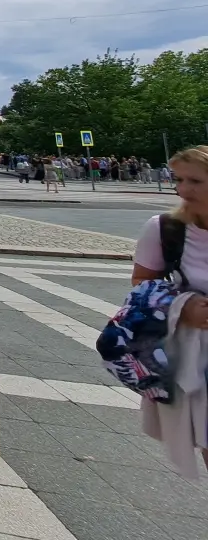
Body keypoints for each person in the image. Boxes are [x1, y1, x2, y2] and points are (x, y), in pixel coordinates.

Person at [130, 144, 208, 476]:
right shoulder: (165, 228)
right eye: (179, 180)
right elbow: (140, 284)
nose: (183, 189)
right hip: (197, 352)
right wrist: (183, 306)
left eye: (195, 181)